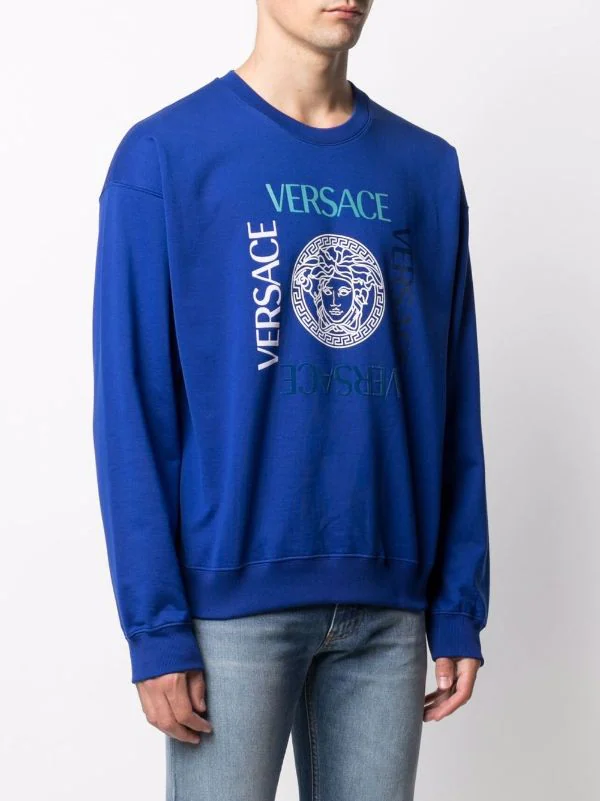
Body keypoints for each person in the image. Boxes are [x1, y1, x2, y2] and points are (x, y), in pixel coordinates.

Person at [92, 1, 490, 799]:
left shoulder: (426, 169)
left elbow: (453, 396)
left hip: (388, 606)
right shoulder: (166, 156)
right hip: (229, 610)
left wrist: (457, 602)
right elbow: (132, 406)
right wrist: (156, 625)